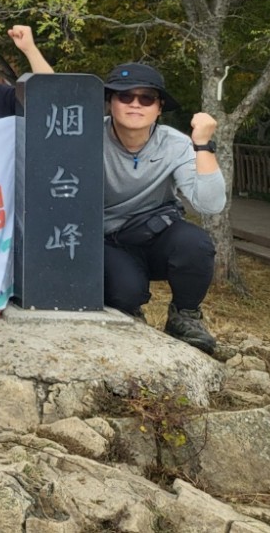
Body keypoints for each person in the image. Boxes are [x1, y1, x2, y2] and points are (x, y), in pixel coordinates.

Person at [101, 63, 225, 354]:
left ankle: (185, 316)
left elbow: (210, 204)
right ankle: (127, 313)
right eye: (125, 96)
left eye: (146, 98)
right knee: (126, 292)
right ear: (110, 102)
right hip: (106, 240)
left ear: (159, 108)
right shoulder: (85, 136)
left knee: (195, 244)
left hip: (156, 233)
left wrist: (202, 145)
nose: (135, 104)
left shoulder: (176, 144)